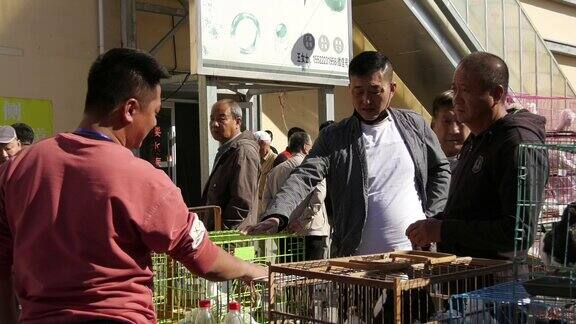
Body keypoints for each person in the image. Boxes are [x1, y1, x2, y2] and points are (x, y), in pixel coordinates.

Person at [0, 48, 266, 324]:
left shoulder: (18, 168)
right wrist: (251, 269)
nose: (154, 123)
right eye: (155, 113)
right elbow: (204, 258)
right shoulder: (143, 179)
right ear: (129, 110)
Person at [248, 51, 450, 257]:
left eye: (374, 91)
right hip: (356, 265)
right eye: (358, 91)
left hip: (415, 259)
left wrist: (430, 218)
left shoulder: (414, 124)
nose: (366, 100)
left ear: (391, 89)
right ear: (349, 90)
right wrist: (277, 215)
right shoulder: (334, 136)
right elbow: (304, 176)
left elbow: (441, 170)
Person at [406, 52, 547, 260]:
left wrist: (443, 230)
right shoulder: (476, 139)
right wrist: (432, 227)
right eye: (455, 90)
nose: (457, 99)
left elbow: (519, 233)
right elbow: (472, 211)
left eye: (466, 90)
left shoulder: (517, 144)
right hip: (463, 281)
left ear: (497, 95)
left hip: (497, 285)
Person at [261, 131, 329, 260]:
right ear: (305, 147)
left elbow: (266, 201)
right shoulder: (314, 166)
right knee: (313, 276)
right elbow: (319, 196)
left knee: (288, 275)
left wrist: (279, 221)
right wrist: (302, 220)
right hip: (312, 230)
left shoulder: (275, 171)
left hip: (284, 232)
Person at [202, 99, 260, 230]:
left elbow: (242, 202)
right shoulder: (228, 150)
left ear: (237, 122)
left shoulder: (243, 151)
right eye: (212, 119)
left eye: (221, 119)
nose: (214, 124)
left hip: (233, 240)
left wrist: (223, 232)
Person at [430, 90, 470, 171]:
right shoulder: (419, 163)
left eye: (460, 121)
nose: (454, 130)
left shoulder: (482, 167)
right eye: (447, 122)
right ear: (433, 126)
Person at [254, 130, 277, 214]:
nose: (256, 149)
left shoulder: (275, 160)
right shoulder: (255, 159)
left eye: (257, 146)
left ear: (264, 144)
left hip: (267, 205)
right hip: (255, 203)